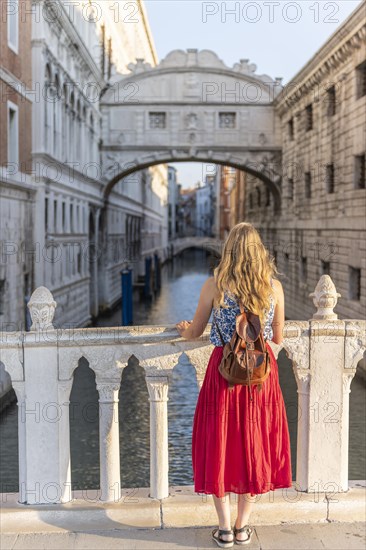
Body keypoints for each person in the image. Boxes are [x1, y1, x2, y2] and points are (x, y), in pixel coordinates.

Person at [175, 222, 292, 548]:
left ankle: (224, 529)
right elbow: (278, 338)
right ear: (260, 253)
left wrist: (184, 328)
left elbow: (196, 331)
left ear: (229, 252)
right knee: (256, 446)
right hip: (260, 378)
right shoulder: (274, 288)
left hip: (223, 376)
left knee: (220, 446)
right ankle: (243, 528)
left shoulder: (214, 285)